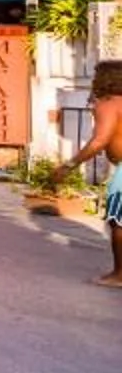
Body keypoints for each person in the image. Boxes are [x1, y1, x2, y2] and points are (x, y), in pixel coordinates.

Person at [73, 60, 122, 289]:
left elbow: (100, 140)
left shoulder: (109, 103)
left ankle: (119, 275)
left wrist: (70, 164)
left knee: (118, 221)